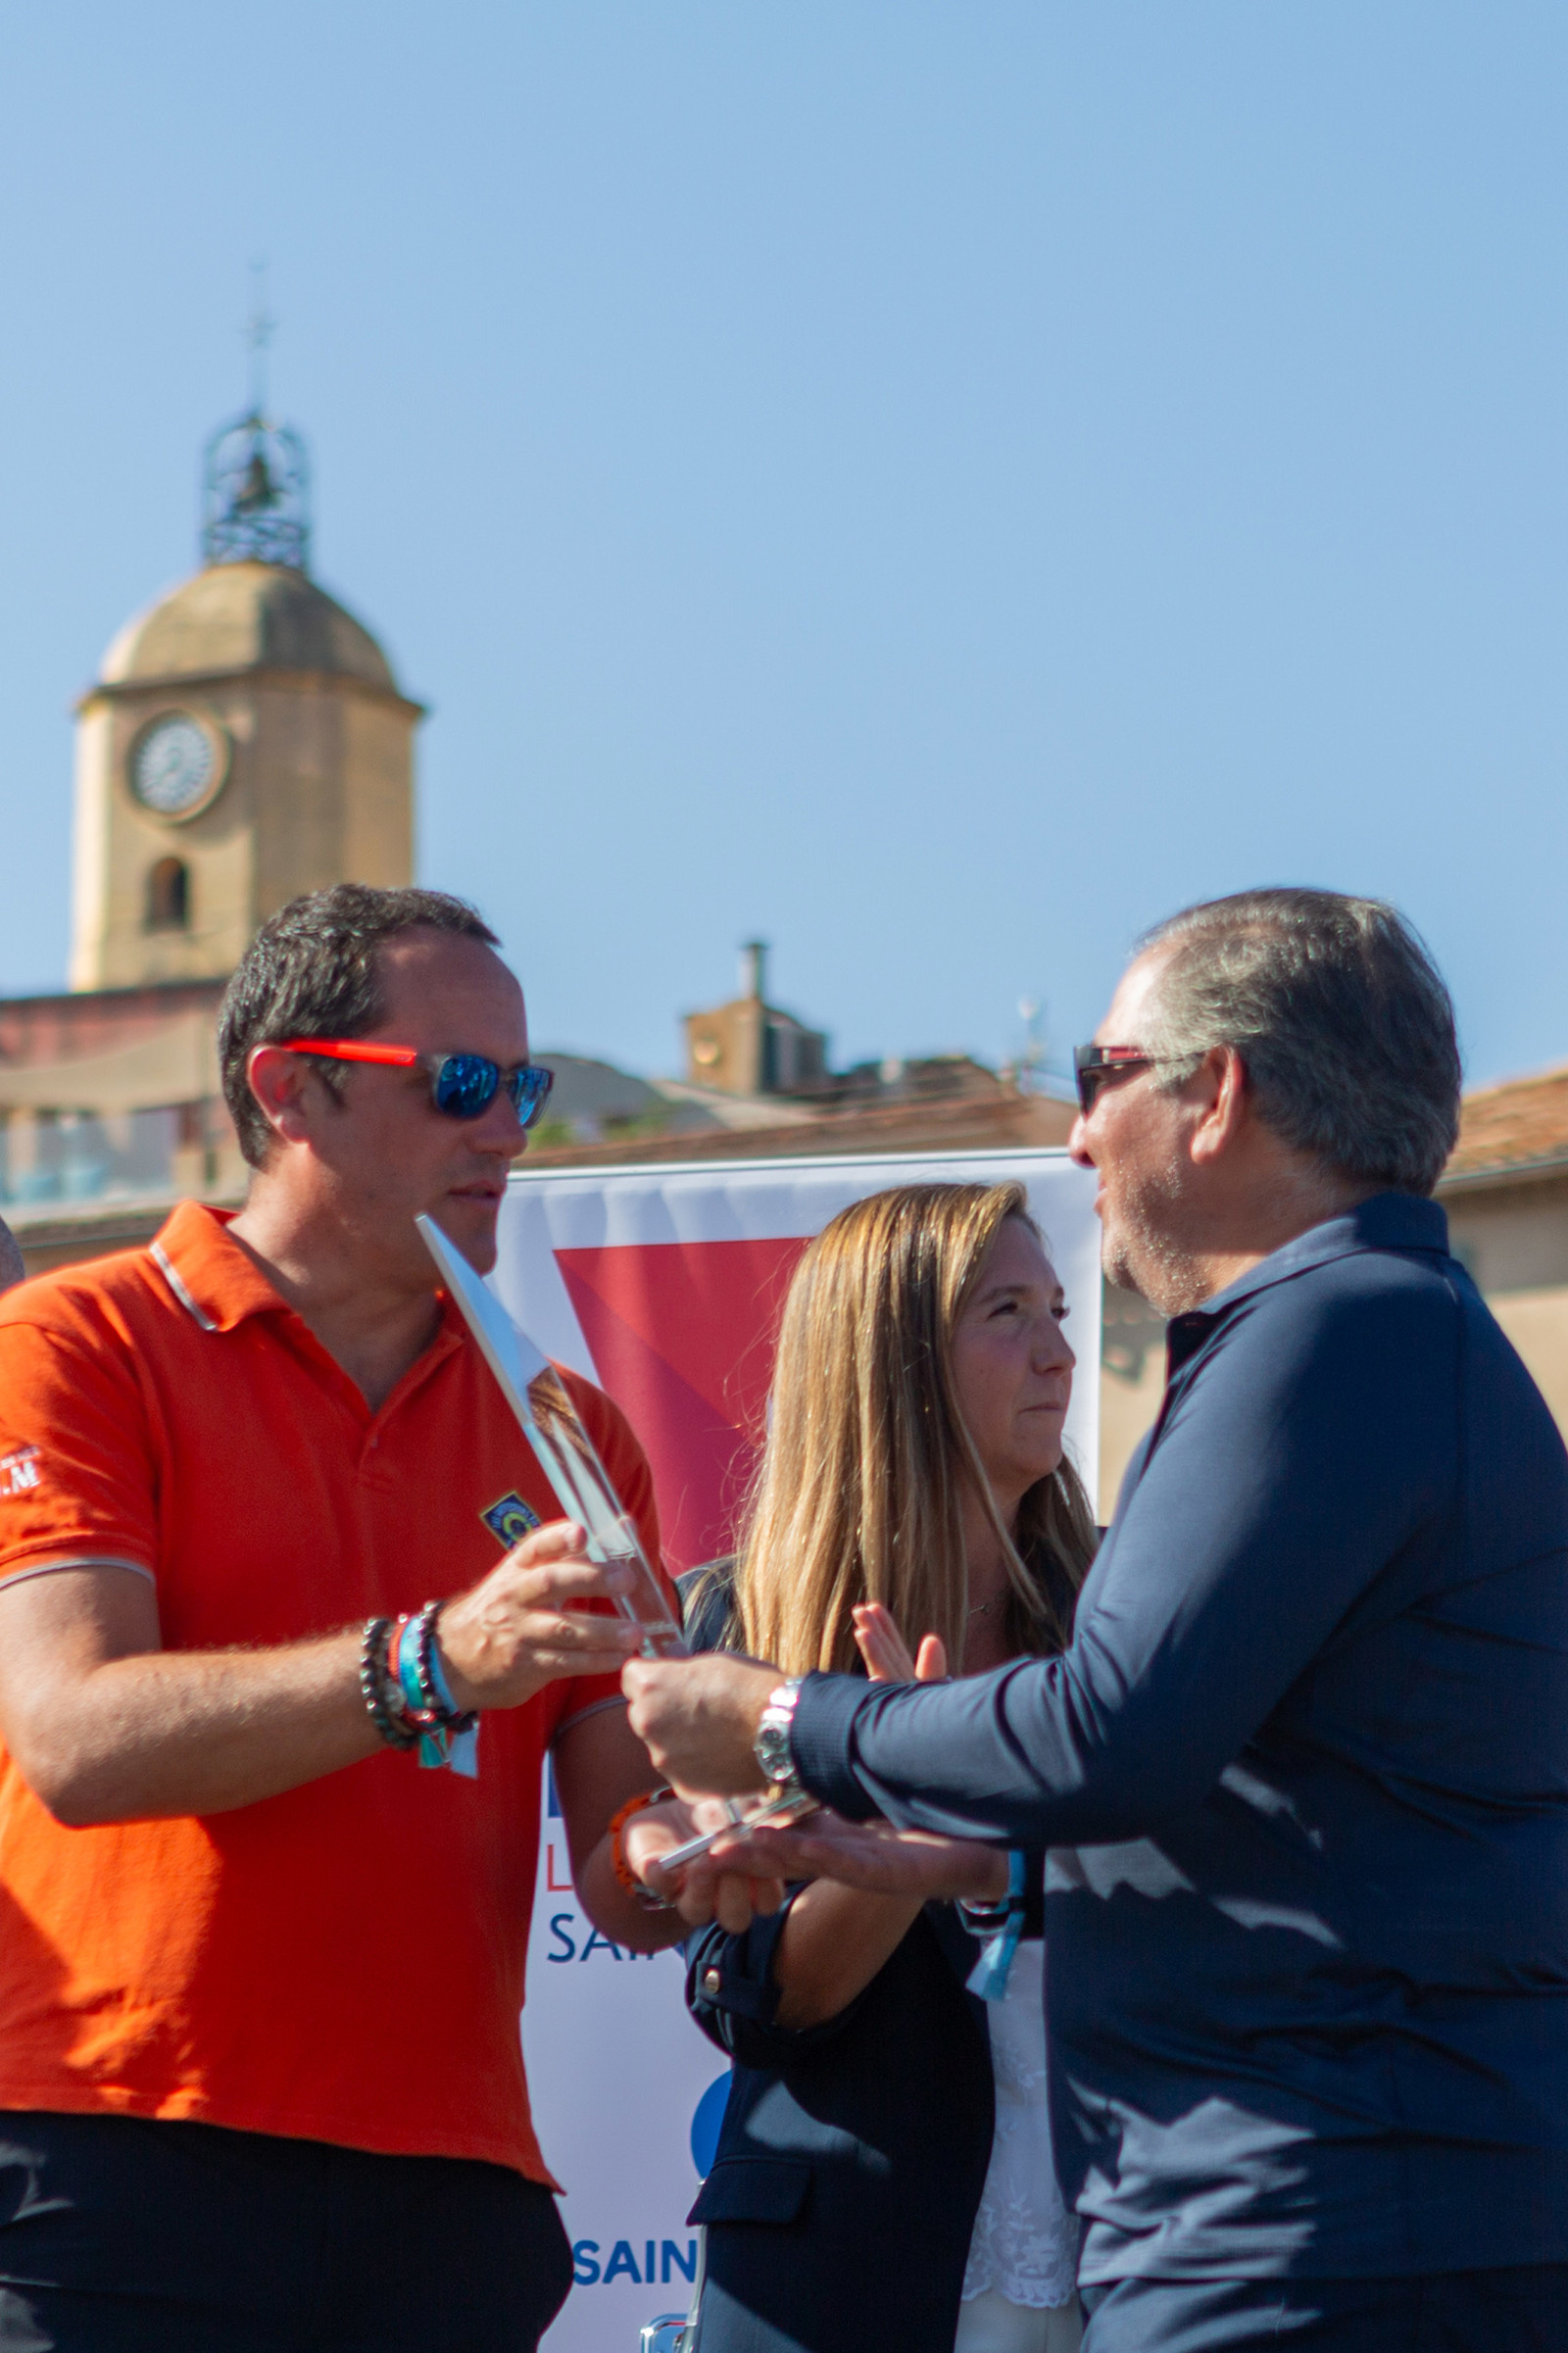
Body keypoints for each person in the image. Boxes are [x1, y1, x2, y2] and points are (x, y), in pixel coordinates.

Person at [625, 888, 1568, 2352]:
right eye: (1002, 1314)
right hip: (1297, 2214)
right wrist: (971, 1858)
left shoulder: (1327, 1330)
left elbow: (1108, 1731)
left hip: (1314, 2230)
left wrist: (781, 1716)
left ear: (1218, 1094)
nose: (1077, 1138)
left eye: (1100, 1074)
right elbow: (1264, 1802)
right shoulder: (1369, 1326)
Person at [0, 884, 683, 2353]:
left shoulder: (570, 1429)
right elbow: (75, 1739)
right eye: (460, 1083)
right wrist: (434, 1660)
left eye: (525, 1088)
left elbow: (627, 1855)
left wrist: (726, 1847)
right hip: (118, 2144)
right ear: (289, 1089)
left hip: (451, 2194)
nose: (507, 1132)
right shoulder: (75, 1341)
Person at [652, 1183, 1094, 2353]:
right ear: (893, 1364)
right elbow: (761, 1997)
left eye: (1056, 1309)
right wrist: (908, 1813)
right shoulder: (736, 1633)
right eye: (1008, 1312)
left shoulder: (1118, 1616)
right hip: (849, 2281)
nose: (1058, 1353)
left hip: (1121, 2264)